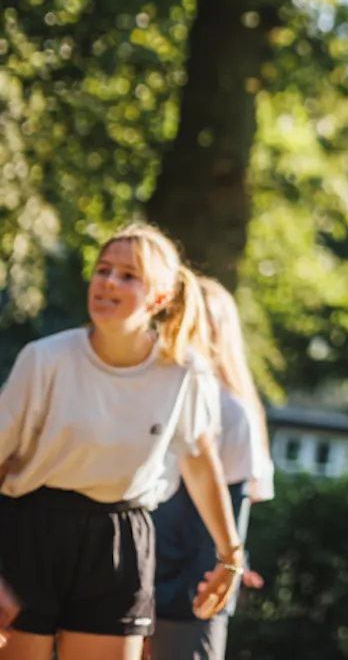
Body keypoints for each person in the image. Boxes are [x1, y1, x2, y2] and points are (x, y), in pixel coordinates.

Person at [0, 225, 244, 660]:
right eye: (103, 270)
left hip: (121, 539)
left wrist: (230, 557)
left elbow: (200, 461)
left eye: (129, 276)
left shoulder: (185, 373)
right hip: (29, 531)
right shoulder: (44, 359)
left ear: (160, 298)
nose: (108, 282)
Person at [150, 278, 276, 660]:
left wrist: (227, 569)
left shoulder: (232, 411)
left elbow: (230, 510)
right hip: (126, 588)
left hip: (188, 600)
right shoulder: (143, 387)